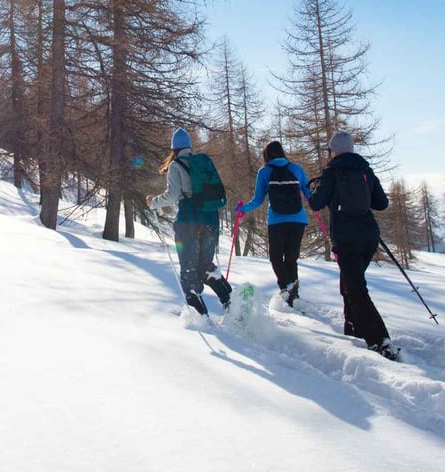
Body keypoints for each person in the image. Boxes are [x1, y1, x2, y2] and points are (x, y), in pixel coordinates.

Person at [307, 130, 398, 361]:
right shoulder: (365, 169)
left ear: (334, 150)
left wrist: (316, 189)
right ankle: (353, 327)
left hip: (346, 238)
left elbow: (316, 203)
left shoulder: (332, 171)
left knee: (356, 289)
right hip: (369, 236)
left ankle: (380, 341)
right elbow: (382, 203)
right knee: (350, 284)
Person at [146, 128, 232, 316]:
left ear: (174, 148)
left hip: (188, 222)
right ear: (189, 147)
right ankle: (232, 303)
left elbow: (173, 195)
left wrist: (154, 202)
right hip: (210, 220)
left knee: (189, 271)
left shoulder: (176, 165)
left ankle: (200, 318)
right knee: (205, 267)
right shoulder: (201, 163)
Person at [236, 140, 313, 306]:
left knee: (276, 258)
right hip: (298, 219)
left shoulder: (265, 171)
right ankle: (293, 295)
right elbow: (309, 194)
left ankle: (286, 290)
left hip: (277, 220)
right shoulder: (296, 169)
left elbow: (257, 200)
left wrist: (242, 209)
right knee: (291, 258)